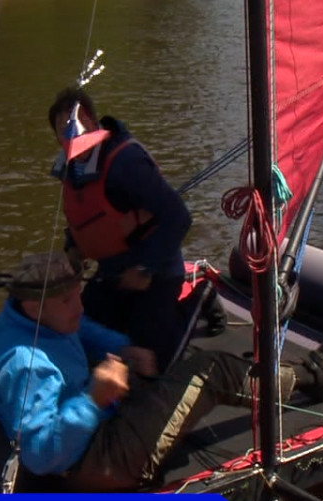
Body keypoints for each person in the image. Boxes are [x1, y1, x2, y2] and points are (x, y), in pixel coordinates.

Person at [0, 251, 323, 492]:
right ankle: (314, 377)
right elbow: (39, 455)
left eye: (77, 294)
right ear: (33, 308)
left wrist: (123, 347)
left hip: (88, 437)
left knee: (158, 363)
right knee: (209, 370)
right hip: (95, 465)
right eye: (67, 300)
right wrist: (92, 400)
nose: (78, 306)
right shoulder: (26, 365)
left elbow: (79, 329)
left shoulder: (30, 319)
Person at [47, 87, 226, 374]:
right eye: (62, 130)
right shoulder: (70, 170)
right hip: (111, 274)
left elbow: (178, 217)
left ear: (91, 122)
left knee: (152, 364)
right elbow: (83, 215)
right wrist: (73, 251)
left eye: (77, 124)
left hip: (157, 273)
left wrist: (145, 268)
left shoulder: (125, 162)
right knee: (75, 329)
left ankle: (201, 296)